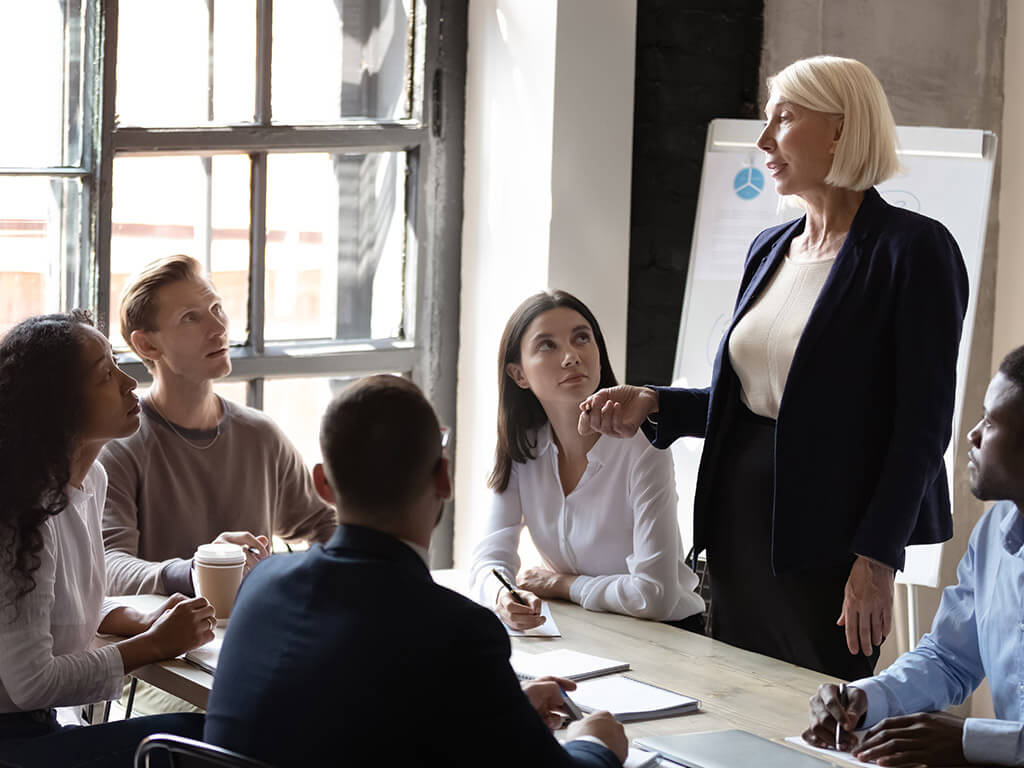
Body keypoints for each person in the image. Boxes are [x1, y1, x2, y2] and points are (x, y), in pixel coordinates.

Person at [579, 55, 968, 680]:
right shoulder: (770, 247)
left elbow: (921, 427)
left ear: (840, 131)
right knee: (736, 700)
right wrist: (656, 402)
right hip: (738, 526)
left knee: (820, 719)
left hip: (831, 540)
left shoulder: (914, 252)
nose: (763, 140)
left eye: (783, 119)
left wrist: (876, 557)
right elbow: (756, 398)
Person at [204, 375, 627, 767]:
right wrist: (594, 744)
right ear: (444, 478)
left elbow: (354, 711)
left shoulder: (260, 583)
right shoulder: (459, 631)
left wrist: (501, 707)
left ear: (322, 485)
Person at [0, 311, 214, 768]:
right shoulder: (21, 514)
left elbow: (52, 605)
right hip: (12, 742)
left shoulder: (89, 479)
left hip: (36, 727)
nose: (129, 382)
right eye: (105, 374)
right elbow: (31, 683)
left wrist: (132, 618)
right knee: (203, 740)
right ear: (58, 405)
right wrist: (153, 646)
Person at [803, 345, 1024, 768]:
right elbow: (949, 659)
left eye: (992, 422)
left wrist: (968, 742)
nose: (973, 435)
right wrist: (866, 697)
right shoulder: (993, 533)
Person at [100, 254, 336, 598]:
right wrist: (200, 570)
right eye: (190, 318)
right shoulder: (120, 447)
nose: (219, 328)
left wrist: (296, 589)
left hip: (254, 637)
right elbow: (108, 567)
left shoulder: (261, 435)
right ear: (147, 345)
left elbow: (326, 527)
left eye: (216, 309)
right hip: (165, 648)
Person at [470, 291, 704, 632]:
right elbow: (489, 558)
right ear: (518, 374)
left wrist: (563, 584)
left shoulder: (643, 445)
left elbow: (656, 595)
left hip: (669, 636)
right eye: (547, 345)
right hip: (586, 628)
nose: (571, 357)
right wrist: (502, 596)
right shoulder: (521, 447)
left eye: (582, 338)